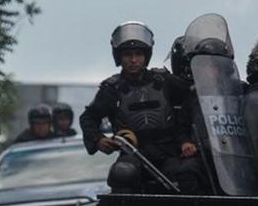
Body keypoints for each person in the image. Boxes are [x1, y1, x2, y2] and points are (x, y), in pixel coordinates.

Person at [80, 21, 205, 194]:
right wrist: (98, 139)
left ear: (146, 55)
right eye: (127, 55)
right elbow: (88, 117)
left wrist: (187, 141)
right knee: (122, 173)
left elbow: (194, 100)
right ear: (119, 57)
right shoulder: (111, 89)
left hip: (170, 152)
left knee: (188, 174)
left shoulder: (164, 81)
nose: (133, 60)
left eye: (138, 54)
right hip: (133, 153)